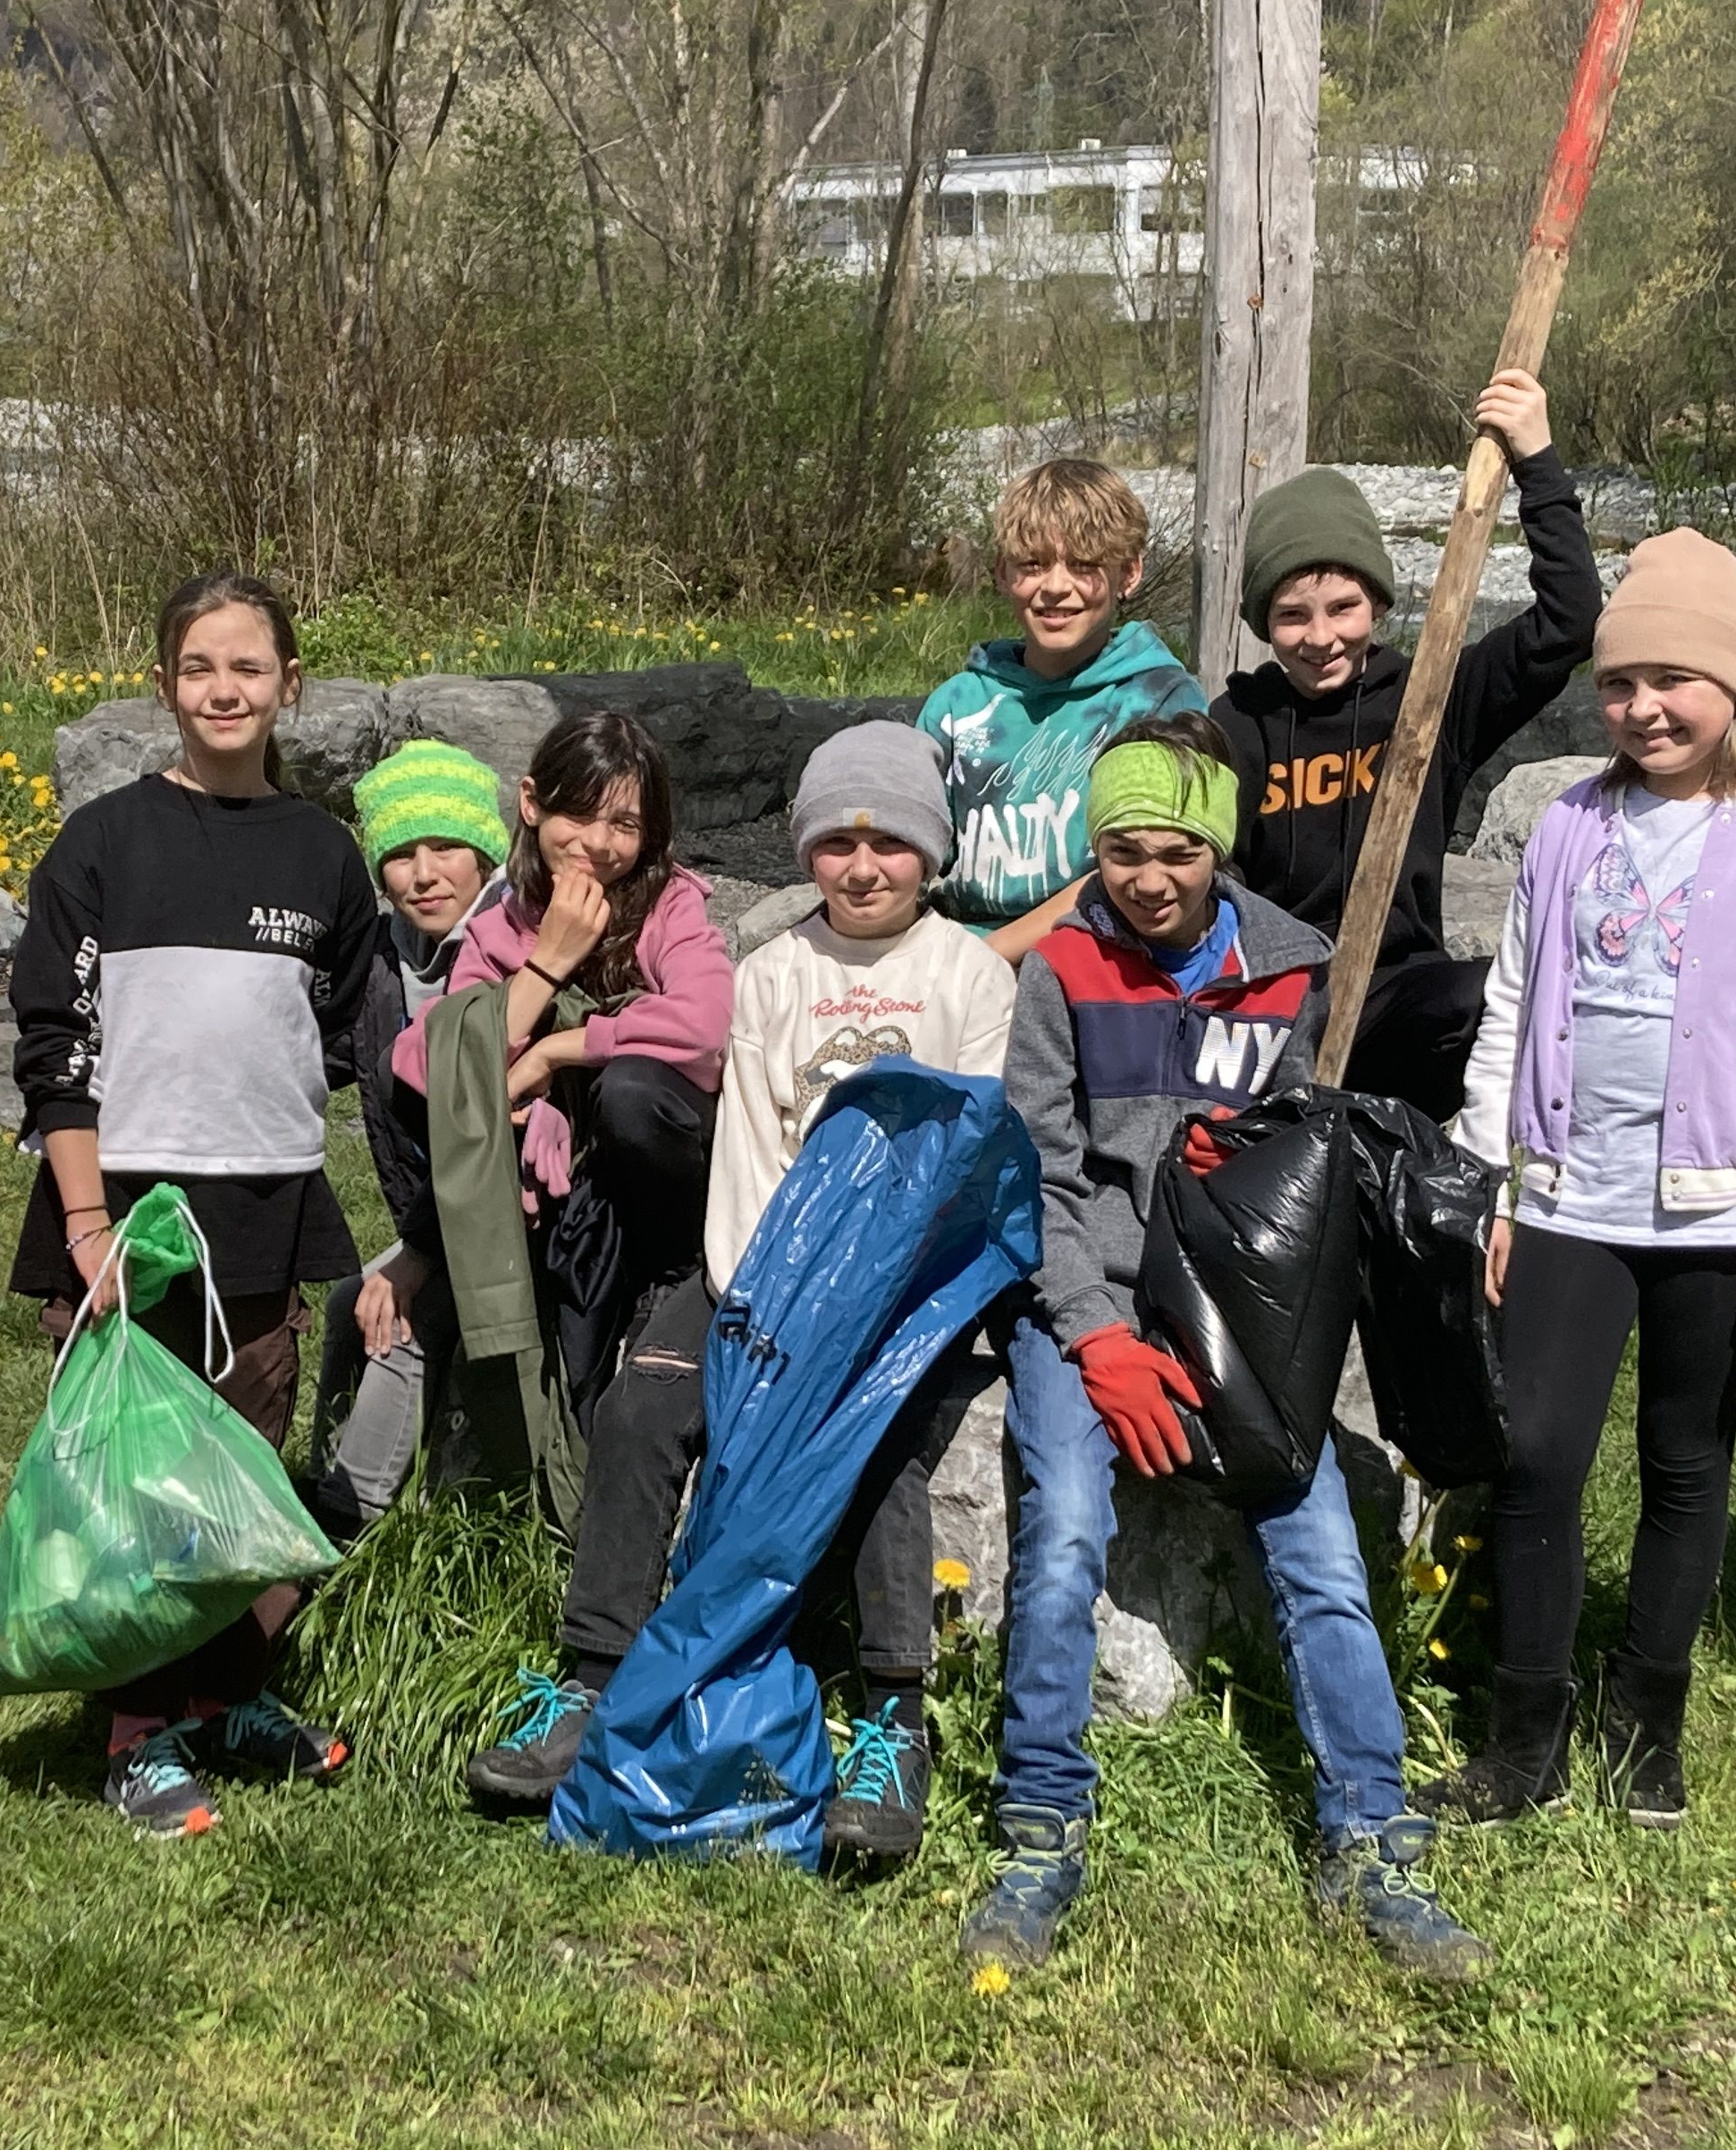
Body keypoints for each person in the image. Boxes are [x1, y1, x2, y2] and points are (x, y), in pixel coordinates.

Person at [973, 719, 1489, 1983]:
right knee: (1062, 1540)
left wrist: (1256, 1160)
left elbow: (1311, 1152)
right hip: (1091, 1302)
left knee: (1316, 1552)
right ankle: (1041, 1823)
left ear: (1217, 850)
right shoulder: (1063, 972)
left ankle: (1369, 1836)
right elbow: (1032, 1168)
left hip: (1239, 1310)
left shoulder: (1295, 970)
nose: (1149, 880)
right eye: (1122, 852)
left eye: (1177, 854)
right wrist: (1093, 1338)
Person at [463, 726, 1012, 1844]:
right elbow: (751, 1145)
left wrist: (856, 1308)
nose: (864, 866)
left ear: (932, 853)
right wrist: (757, 1293)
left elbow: (969, 1156)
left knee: (878, 1438)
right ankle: (594, 1676)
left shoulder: (967, 974)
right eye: (838, 841)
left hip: (894, 1289)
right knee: (644, 1406)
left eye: (892, 843)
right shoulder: (775, 971)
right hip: (757, 1270)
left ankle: (894, 1719)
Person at [1432, 531, 1736, 1829]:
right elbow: (1515, 1004)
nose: (1643, 710)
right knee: (1533, 1457)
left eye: (1674, 682)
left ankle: (1649, 1717)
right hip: (1572, 1194)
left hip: (1726, 1208)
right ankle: (1525, 1737)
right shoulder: (1572, 821)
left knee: (1685, 1459)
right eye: (1622, 686)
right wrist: (1492, 1185)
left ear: (1735, 686)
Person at [10, 573, 380, 1838]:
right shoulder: (103, 845)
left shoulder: (325, 856)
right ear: (164, 685)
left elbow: (332, 1030)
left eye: (251, 668)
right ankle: (133, 1736)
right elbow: (55, 1048)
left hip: (265, 1203)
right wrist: (84, 1223)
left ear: (291, 687)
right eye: (200, 668)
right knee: (135, 1481)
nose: (226, 690)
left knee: (237, 1465)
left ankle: (217, 1696)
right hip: (126, 1209)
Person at [1217, 370, 1600, 1120]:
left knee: (1505, 995)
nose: (1321, 636)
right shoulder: (1236, 725)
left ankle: (1453, 1159)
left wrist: (1536, 459)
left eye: (1344, 607)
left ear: (1381, 603)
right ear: (1265, 623)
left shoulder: (1429, 699)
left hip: (1402, 992)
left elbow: (1569, 622)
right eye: (1293, 615)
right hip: (1273, 998)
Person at [389, 711, 736, 1428]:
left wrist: (553, 1050)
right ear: (530, 803)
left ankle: (672, 1278)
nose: (600, 845)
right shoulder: (500, 930)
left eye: (626, 825)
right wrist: (547, 964)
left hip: (669, 1182)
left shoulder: (668, 906)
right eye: (578, 815)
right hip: (565, 1201)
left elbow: (708, 1023)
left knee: (633, 1089)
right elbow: (429, 1065)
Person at [311, 738, 506, 1541]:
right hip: (439, 1216)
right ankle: (326, 1477)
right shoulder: (385, 959)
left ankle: (345, 1532)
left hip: (511, 1220)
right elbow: (320, 1054)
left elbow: (496, 1140)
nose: (423, 874)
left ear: (487, 851)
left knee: (399, 1321)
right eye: (399, 853)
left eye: (446, 848)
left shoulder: (509, 947)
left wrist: (419, 1253)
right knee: (345, 1304)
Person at [917, 457, 1206, 964]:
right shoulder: (958, 705)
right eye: (1032, 565)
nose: (1055, 586)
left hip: (1100, 956)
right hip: (958, 953)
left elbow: (1152, 866)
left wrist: (989, 958)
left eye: (1083, 565)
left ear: (1129, 573)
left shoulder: (1158, 702)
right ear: (1002, 574)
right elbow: (912, 852)